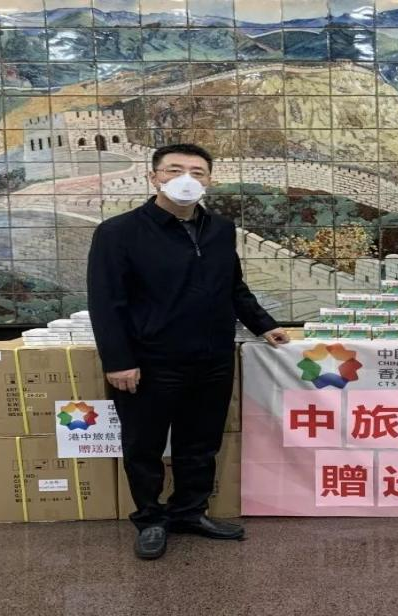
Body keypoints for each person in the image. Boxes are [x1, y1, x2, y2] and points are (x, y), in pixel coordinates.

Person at [87, 143, 290, 560]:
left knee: (200, 443)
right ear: (153, 177)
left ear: (209, 181)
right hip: (150, 361)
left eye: (197, 172)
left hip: (212, 357)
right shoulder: (118, 232)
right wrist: (119, 361)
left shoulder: (220, 229)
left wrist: (264, 324)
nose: (186, 179)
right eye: (174, 170)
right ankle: (150, 519)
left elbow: (233, 286)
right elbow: (106, 303)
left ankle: (189, 512)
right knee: (144, 445)